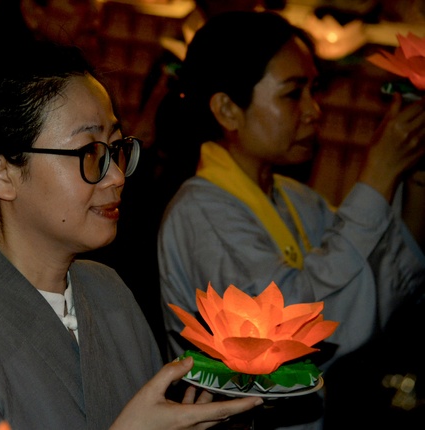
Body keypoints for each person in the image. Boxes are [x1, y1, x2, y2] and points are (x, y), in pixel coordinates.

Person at [0, 40, 263, 430]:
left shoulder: (110, 294)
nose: (117, 175)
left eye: (116, 148)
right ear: (2, 173)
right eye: (89, 153)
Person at [157, 9, 425, 430]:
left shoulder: (296, 199)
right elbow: (286, 338)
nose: (314, 111)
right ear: (227, 109)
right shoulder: (202, 212)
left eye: (313, 91)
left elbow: (379, 286)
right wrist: (377, 176)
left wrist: (414, 173)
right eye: (293, 94)